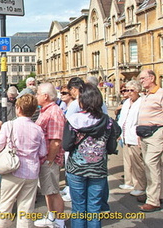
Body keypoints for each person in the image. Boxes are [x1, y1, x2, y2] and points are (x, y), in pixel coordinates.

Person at [63, 83, 121, 227]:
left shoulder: (74, 120)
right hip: (98, 169)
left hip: (76, 168)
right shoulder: (107, 121)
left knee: (78, 208)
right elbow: (114, 140)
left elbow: (66, 145)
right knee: (94, 209)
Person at [0, 94, 47, 228]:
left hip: (13, 170)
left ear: (18, 108)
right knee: (26, 209)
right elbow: (42, 153)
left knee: (5, 205)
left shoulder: (9, 125)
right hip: (32, 172)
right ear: (34, 111)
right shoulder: (38, 129)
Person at [34, 83, 66, 228]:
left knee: (53, 191)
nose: (36, 96)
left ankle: (60, 221)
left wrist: (49, 161)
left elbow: (55, 140)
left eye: (38, 93)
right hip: (44, 158)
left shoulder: (54, 112)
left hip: (49, 159)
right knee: (48, 190)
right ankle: (51, 216)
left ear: (45, 96)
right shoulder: (45, 110)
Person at [136, 69, 163, 212]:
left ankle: (153, 200)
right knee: (153, 166)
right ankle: (157, 194)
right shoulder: (145, 95)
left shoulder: (160, 94)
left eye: (143, 78)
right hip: (144, 135)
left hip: (156, 134)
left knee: (151, 164)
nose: (141, 81)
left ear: (152, 78)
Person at [117, 80, 146, 196]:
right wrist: (119, 133)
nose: (128, 93)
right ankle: (131, 183)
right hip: (125, 136)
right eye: (127, 90)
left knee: (138, 164)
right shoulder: (127, 103)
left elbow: (141, 119)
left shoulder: (141, 102)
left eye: (131, 90)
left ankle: (141, 186)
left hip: (135, 136)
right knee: (129, 162)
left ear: (137, 90)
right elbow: (122, 119)